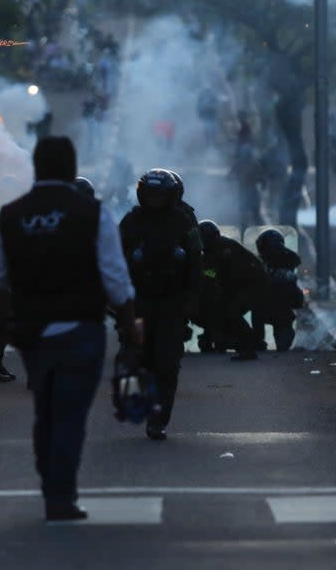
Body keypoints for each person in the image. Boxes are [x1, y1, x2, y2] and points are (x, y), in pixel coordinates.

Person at [0, 136, 138, 522]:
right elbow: (116, 279)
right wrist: (131, 321)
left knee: (46, 411)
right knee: (69, 415)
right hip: (80, 328)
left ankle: (51, 484)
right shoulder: (92, 212)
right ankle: (60, 494)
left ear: (37, 167)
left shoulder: (12, 214)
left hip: (32, 331)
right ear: (70, 168)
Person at [119, 169, 202, 441]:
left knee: (166, 364)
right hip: (138, 303)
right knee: (134, 359)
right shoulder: (131, 222)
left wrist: (192, 297)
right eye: (150, 195)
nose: (154, 200)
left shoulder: (185, 222)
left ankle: (158, 418)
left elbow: (196, 261)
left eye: (159, 195)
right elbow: (116, 262)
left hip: (172, 303)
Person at [194, 221, 265, 360]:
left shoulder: (225, 249)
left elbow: (230, 276)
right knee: (225, 308)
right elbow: (211, 273)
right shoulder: (212, 250)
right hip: (243, 284)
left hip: (252, 284)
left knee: (231, 311)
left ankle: (249, 346)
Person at [252, 229, 304, 352]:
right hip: (265, 304)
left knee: (283, 338)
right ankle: (258, 341)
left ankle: (260, 341)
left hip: (280, 305)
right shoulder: (260, 262)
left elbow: (296, 260)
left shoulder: (288, 260)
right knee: (257, 313)